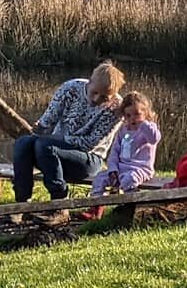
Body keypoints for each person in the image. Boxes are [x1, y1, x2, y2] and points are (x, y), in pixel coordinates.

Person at [12, 61, 124, 203]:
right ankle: (22, 202)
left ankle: (59, 202)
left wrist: (56, 139)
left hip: (88, 159)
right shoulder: (70, 88)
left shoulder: (116, 107)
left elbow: (89, 143)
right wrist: (40, 128)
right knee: (23, 143)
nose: (96, 99)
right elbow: (48, 120)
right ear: (89, 82)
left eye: (104, 98)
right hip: (51, 148)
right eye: (94, 93)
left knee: (45, 146)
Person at [86, 90, 162, 213]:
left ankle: (130, 207)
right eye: (128, 115)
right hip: (120, 168)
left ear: (146, 113)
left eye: (137, 114)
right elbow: (115, 152)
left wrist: (144, 124)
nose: (133, 119)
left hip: (140, 169)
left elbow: (154, 139)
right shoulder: (123, 131)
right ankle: (96, 209)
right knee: (100, 179)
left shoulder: (148, 128)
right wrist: (112, 168)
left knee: (129, 180)